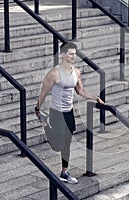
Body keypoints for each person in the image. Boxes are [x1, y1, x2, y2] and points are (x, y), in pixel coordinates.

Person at [35, 41, 105, 184]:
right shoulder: (54, 73)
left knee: (67, 143)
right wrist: (37, 108)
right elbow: (43, 92)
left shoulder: (76, 72)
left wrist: (96, 98)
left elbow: (80, 91)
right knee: (57, 146)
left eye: (75, 54)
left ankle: (64, 172)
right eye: (71, 54)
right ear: (62, 54)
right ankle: (44, 122)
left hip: (68, 112)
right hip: (56, 112)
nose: (74, 56)